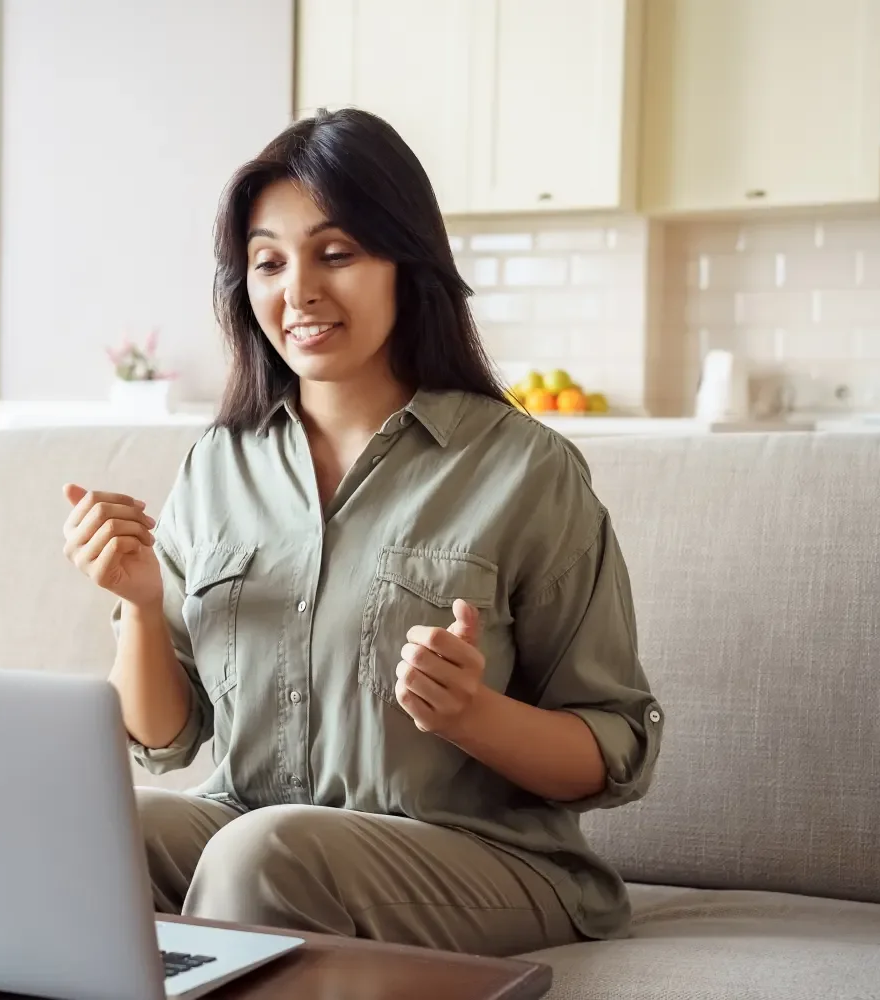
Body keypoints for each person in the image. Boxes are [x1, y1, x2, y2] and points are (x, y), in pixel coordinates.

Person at [59, 108, 663, 958]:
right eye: (269, 261)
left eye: (335, 254)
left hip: (483, 858)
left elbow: (614, 748)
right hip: (253, 829)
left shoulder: (525, 471)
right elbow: (168, 737)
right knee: (92, 825)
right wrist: (140, 605)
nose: (298, 291)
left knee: (264, 850)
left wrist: (471, 714)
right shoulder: (221, 464)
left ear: (404, 265)